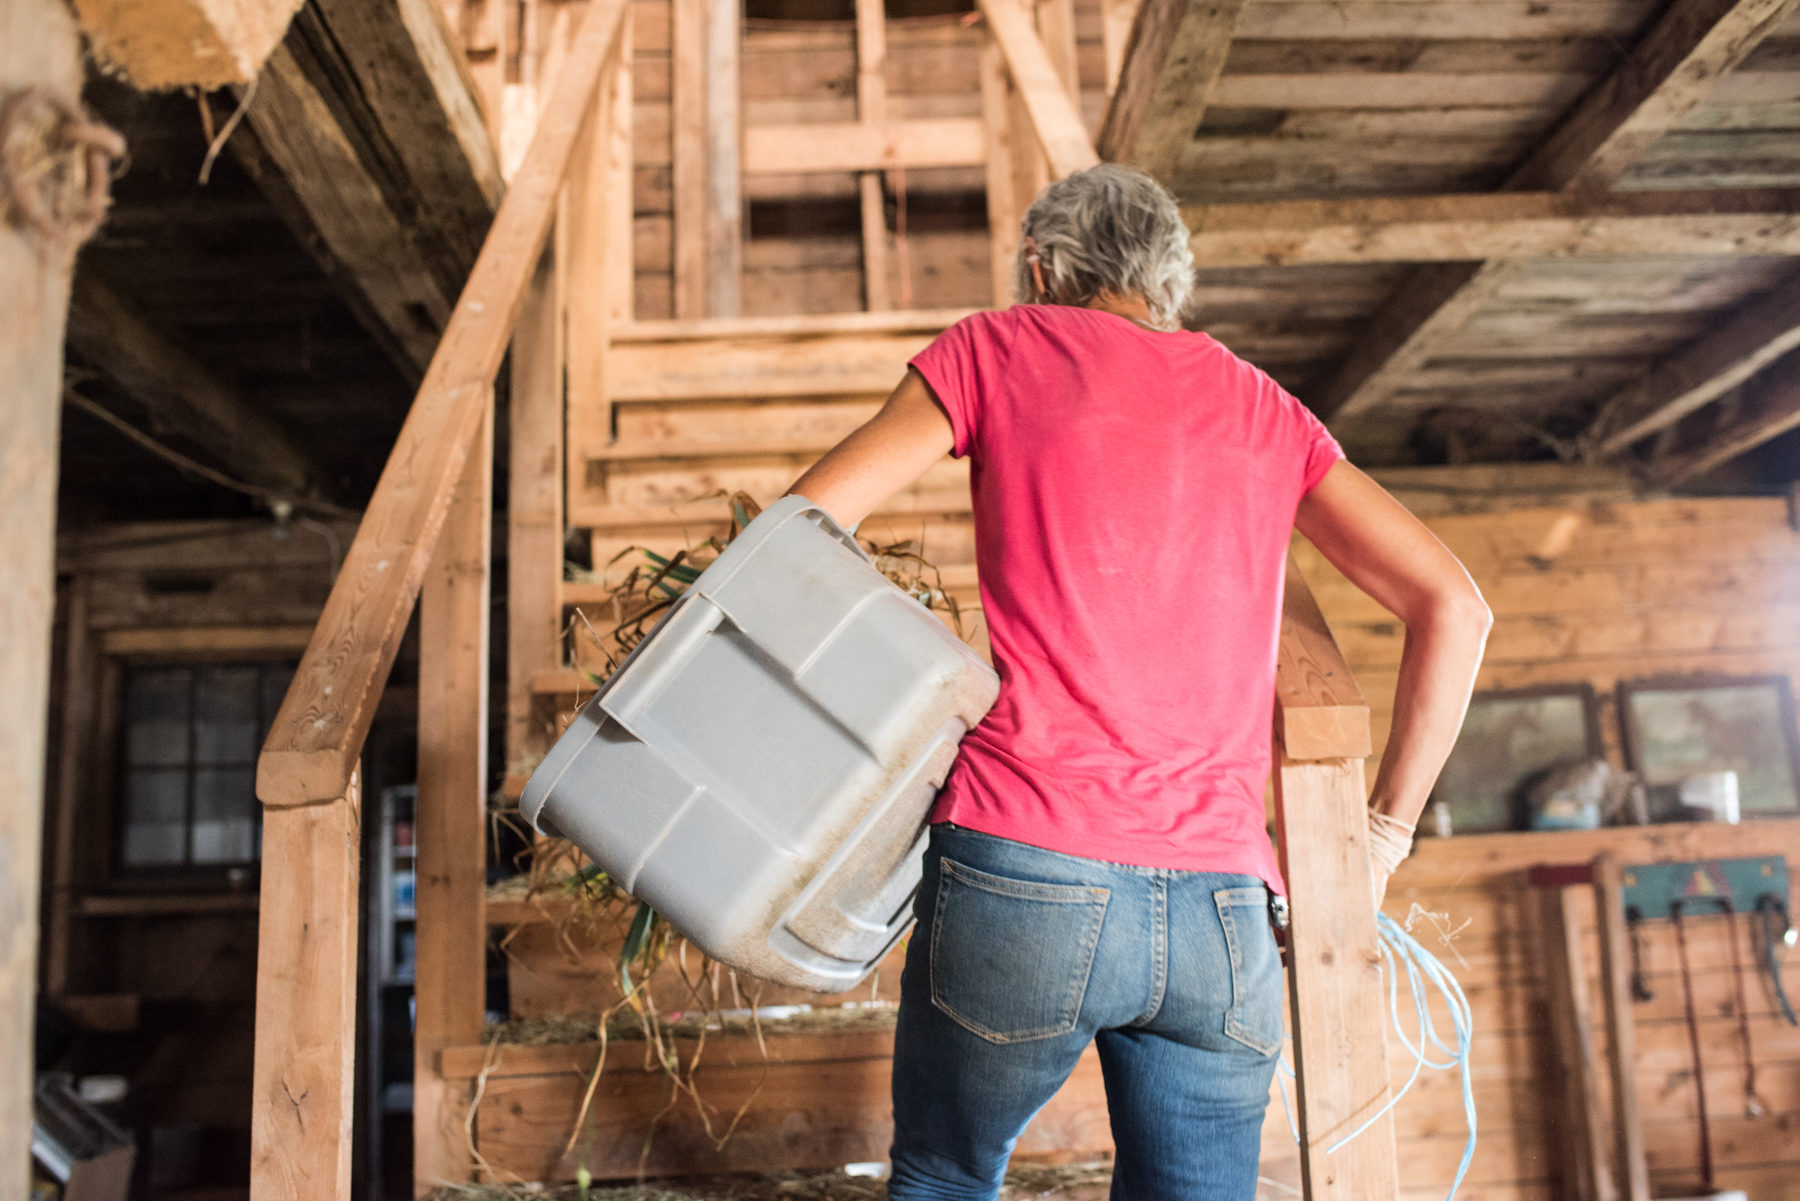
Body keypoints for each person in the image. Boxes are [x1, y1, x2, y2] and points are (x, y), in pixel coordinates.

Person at [784, 164, 1491, 1201]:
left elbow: (804, 528)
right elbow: (1457, 607)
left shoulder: (996, 347)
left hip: (1024, 863)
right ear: (1170, 283)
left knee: (943, 1172)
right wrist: (1377, 837)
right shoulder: (1264, 408)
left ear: (1039, 268)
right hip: (1221, 909)